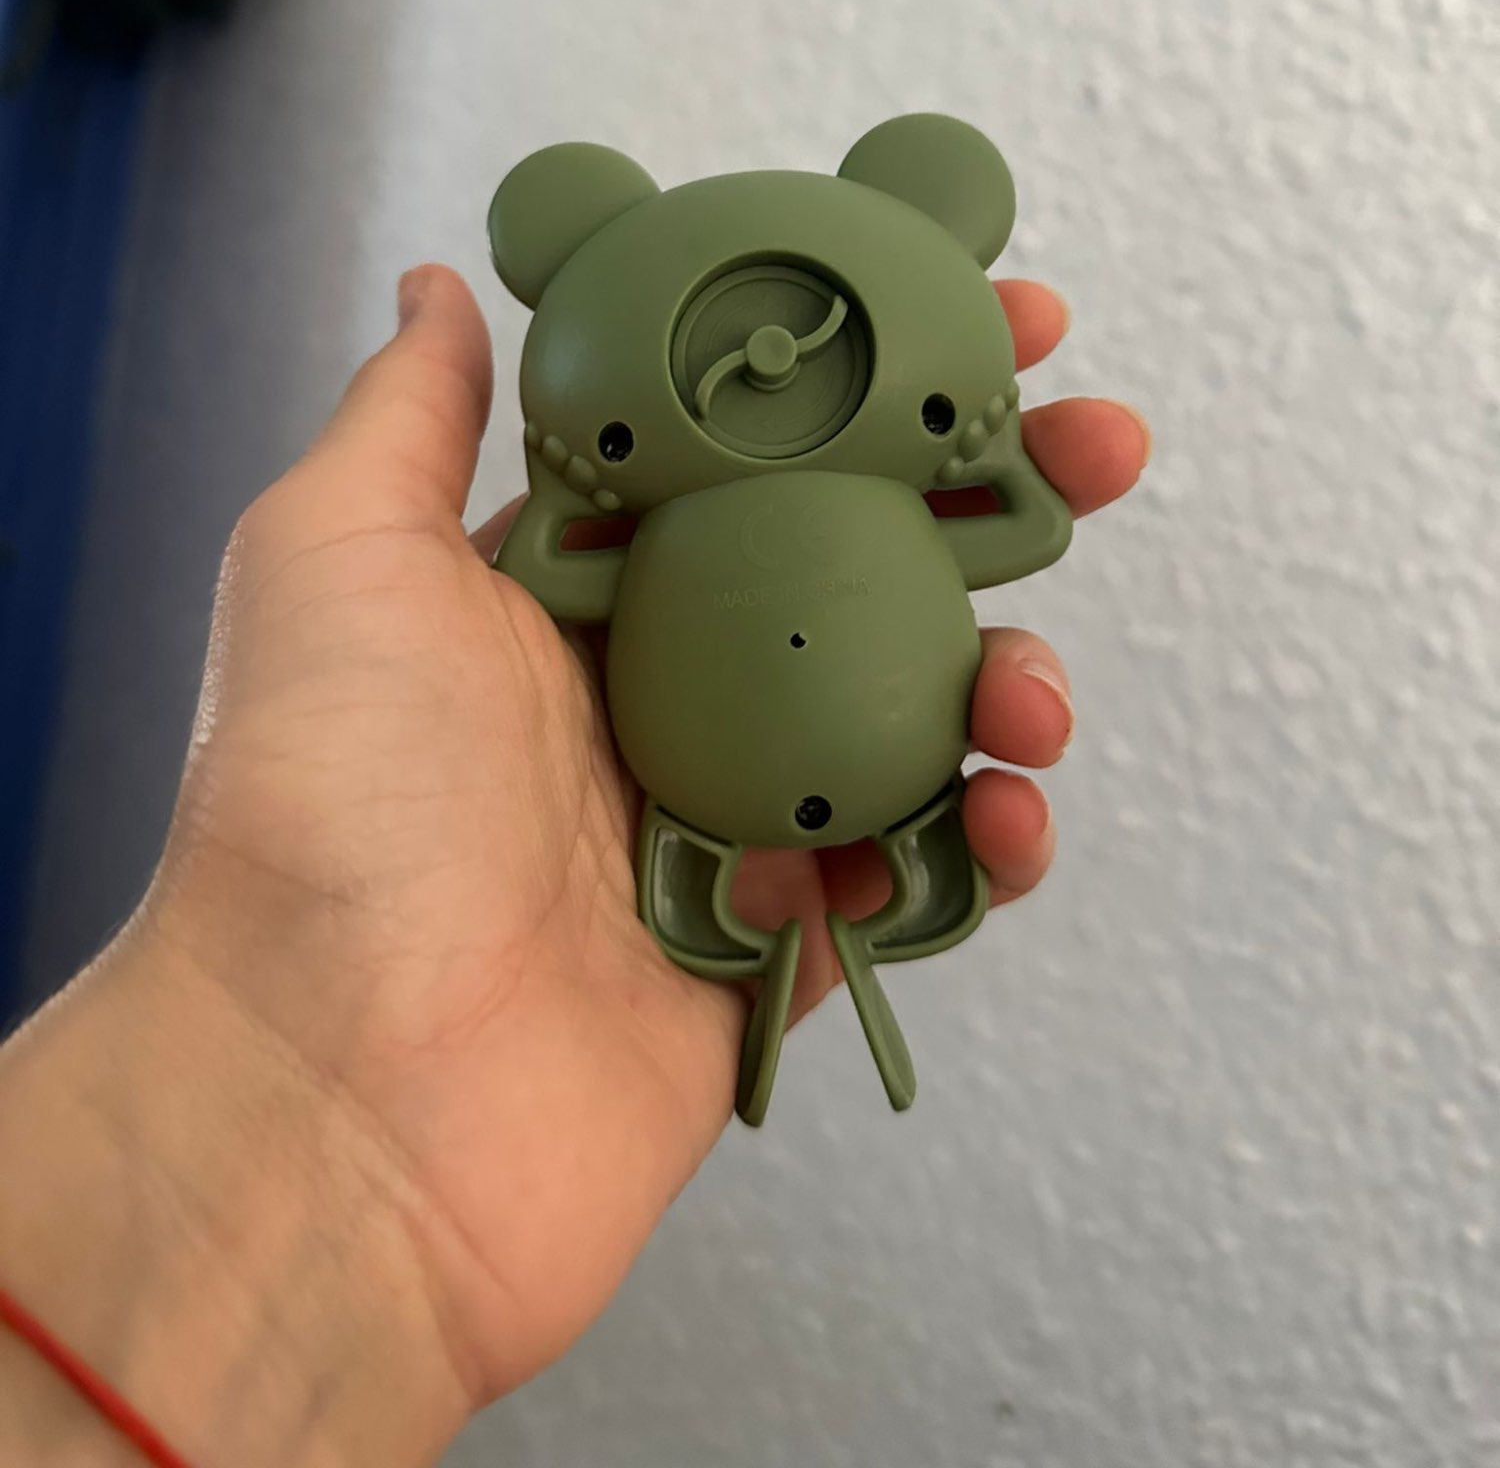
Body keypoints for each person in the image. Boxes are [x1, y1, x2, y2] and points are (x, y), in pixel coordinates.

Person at [0, 265, 1148, 1465]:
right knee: (911, 835)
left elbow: (1015, 524)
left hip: (839, 782)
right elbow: (1019, 520)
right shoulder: (696, 512)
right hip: (696, 790)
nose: (770, 359)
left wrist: (976, 451)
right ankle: (848, 898)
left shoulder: (773, 500)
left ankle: (872, 894)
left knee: (938, 827)